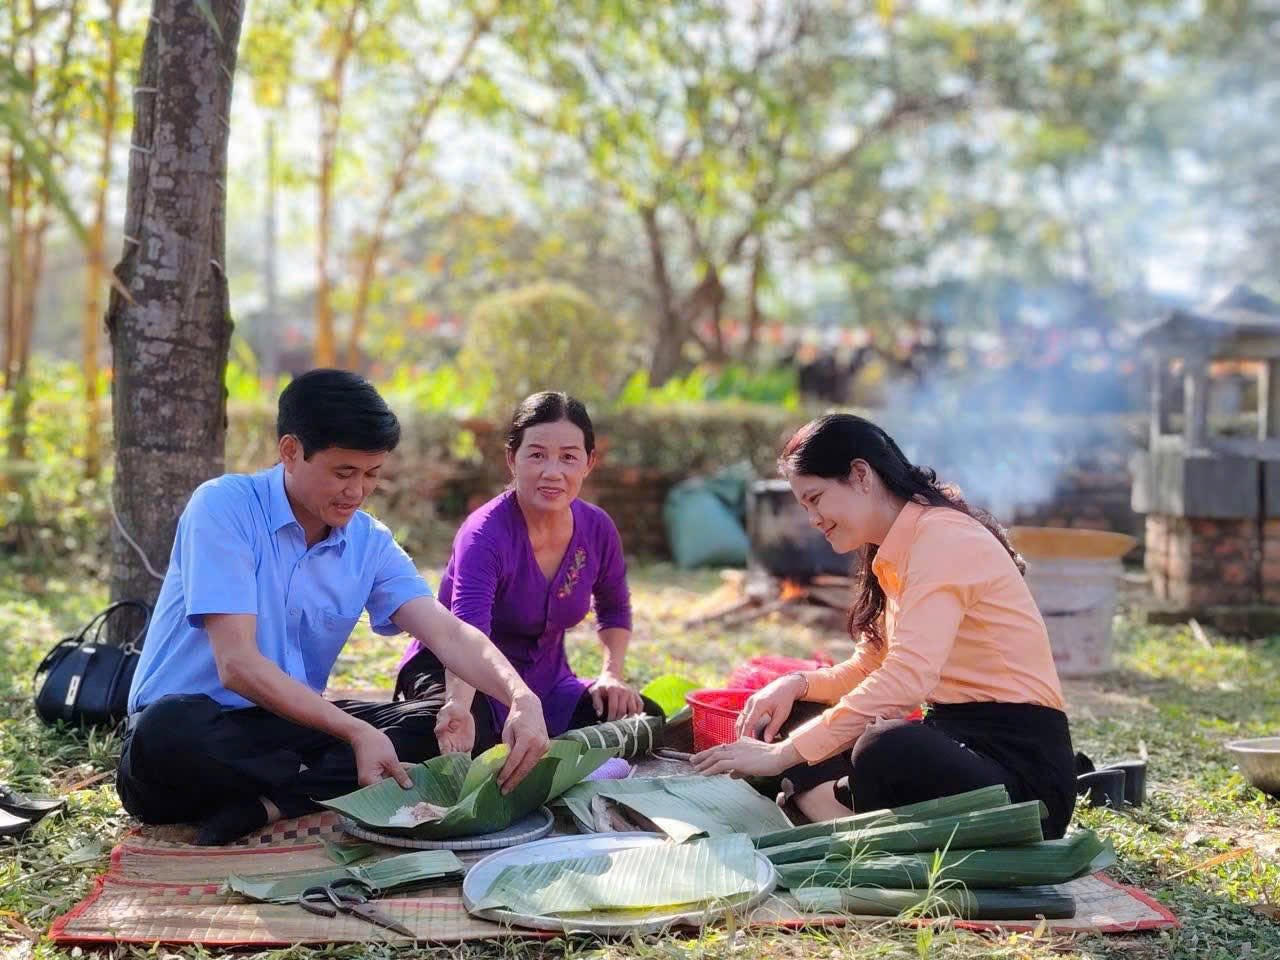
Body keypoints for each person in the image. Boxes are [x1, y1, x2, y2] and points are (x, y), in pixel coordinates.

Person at [118, 370, 549, 846]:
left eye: (371, 475)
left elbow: (447, 633)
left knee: (462, 723)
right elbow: (236, 665)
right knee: (168, 733)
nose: (357, 491)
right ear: (290, 451)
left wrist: (520, 697)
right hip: (196, 732)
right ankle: (316, 788)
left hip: (287, 728)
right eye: (343, 472)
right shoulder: (223, 507)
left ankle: (275, 802)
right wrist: (354, 733)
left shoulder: (368, 541)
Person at [692, 414, 1076, 839]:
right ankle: (833, 804)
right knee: (797, 715)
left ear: (860, 475)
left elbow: (907, 679)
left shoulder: (942, 539)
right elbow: (870, 667)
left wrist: (781, 755)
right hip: (953, 741)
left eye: (816, 498)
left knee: (884, 745)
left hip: (1022, 778)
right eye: (805, 506)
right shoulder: (894, 547)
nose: (813, 519)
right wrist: (796, 685)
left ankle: (830, 807)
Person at [395, 391, 662, 755]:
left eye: (569, 457)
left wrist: (611, 675)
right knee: (467, 739)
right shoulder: (484, 534)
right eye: (536, 454)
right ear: (511, 458)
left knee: (642, 716)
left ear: (589, 463)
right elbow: (465, 636)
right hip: (462, 676)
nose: (552, 472)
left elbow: (614, 608)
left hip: (546, 682)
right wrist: (459, 705)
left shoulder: (597, 528)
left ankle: (549, 741)